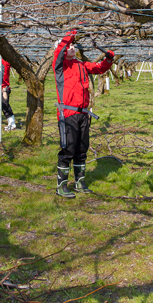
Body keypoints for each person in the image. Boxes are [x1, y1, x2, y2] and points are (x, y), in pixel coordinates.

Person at [53, 30, 114, 198]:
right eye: (69, 46)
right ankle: (61, 186)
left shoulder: (81, 64)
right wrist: (71, 34)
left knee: (82, 148)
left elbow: (98, 68)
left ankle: (80, 182)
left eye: (73, 46)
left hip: (83, 114)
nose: (72, 48)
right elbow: (59, 51)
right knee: (68, 148)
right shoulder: (60, 66)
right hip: (68, 113)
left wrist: (108, 59)